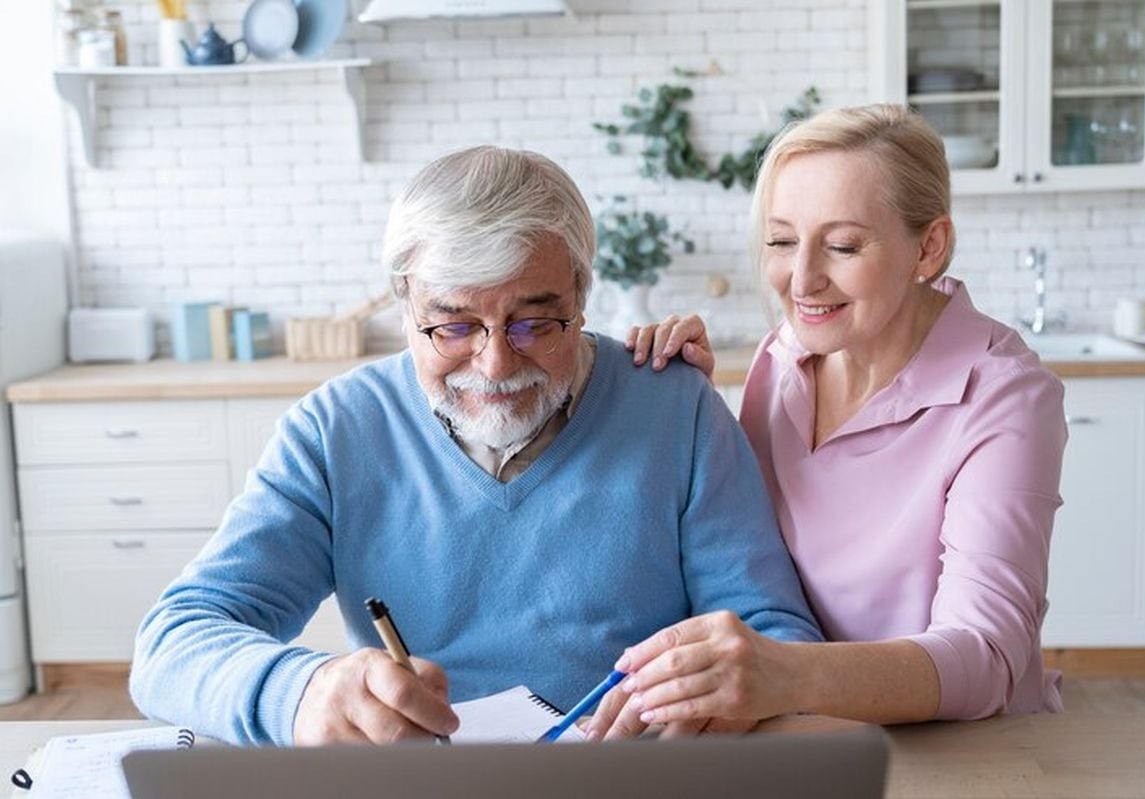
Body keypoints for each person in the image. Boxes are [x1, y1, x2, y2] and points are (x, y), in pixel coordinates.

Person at [129, 145, 822, 747]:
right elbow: (172, 643)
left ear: (583, 295)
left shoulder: (677, 408)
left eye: (534, 322)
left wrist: (723, 693)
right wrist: (302, 690)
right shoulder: (335, 431)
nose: (494, 365)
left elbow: (779, 637)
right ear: (405, 304)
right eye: (453, 325)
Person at [588, 104, 1067, 739]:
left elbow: (987, 655)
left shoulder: (1003, 397)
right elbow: (750, 546)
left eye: (842, 245)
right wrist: (692, 407)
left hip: (957, 750)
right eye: (783, 241)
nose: (803, 279)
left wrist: (783, 674)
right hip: (808, 735)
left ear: (929, 247)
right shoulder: (783, 355)